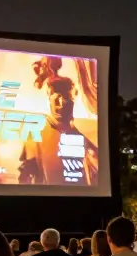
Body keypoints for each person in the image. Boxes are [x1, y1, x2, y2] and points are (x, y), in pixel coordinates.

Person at [17, 56, 99, 186]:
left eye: (66, 98)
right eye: (56, 98)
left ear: (73, 98)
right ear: (49, 98)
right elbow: (25, 175)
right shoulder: (36, 136)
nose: (60, 104)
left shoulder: (84, 138)